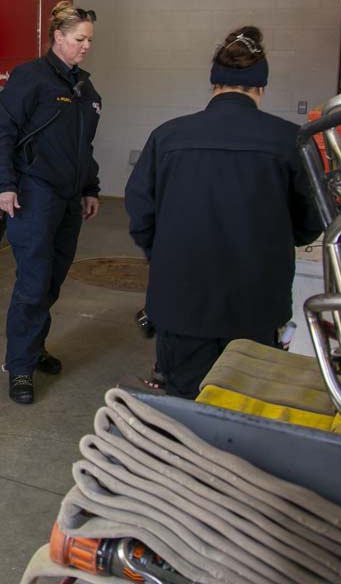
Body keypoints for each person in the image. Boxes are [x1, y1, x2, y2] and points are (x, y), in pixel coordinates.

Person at [124, 26, 322, 399]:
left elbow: (140, 212)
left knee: (183, 404)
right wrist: (274, 241)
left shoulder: (167, 137)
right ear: (260, 87)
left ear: (214, 83)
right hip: (256, 303)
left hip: (180, 300)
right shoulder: (290, 141)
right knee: (245, 403)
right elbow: (312, 220)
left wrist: (163, 254)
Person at [0, 1, 102, 405]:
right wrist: (4, 184)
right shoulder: (31, 79)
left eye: (89, 39)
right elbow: (2, 133)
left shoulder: (85, 90)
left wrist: (90, 187)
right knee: (33, 285)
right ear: (58, 37)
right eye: (79, 39)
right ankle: (19, 367)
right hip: (35, 196)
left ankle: (33, 348)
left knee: (51, 282)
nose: (86, 46)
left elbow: (83, 148)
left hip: (70, 200)